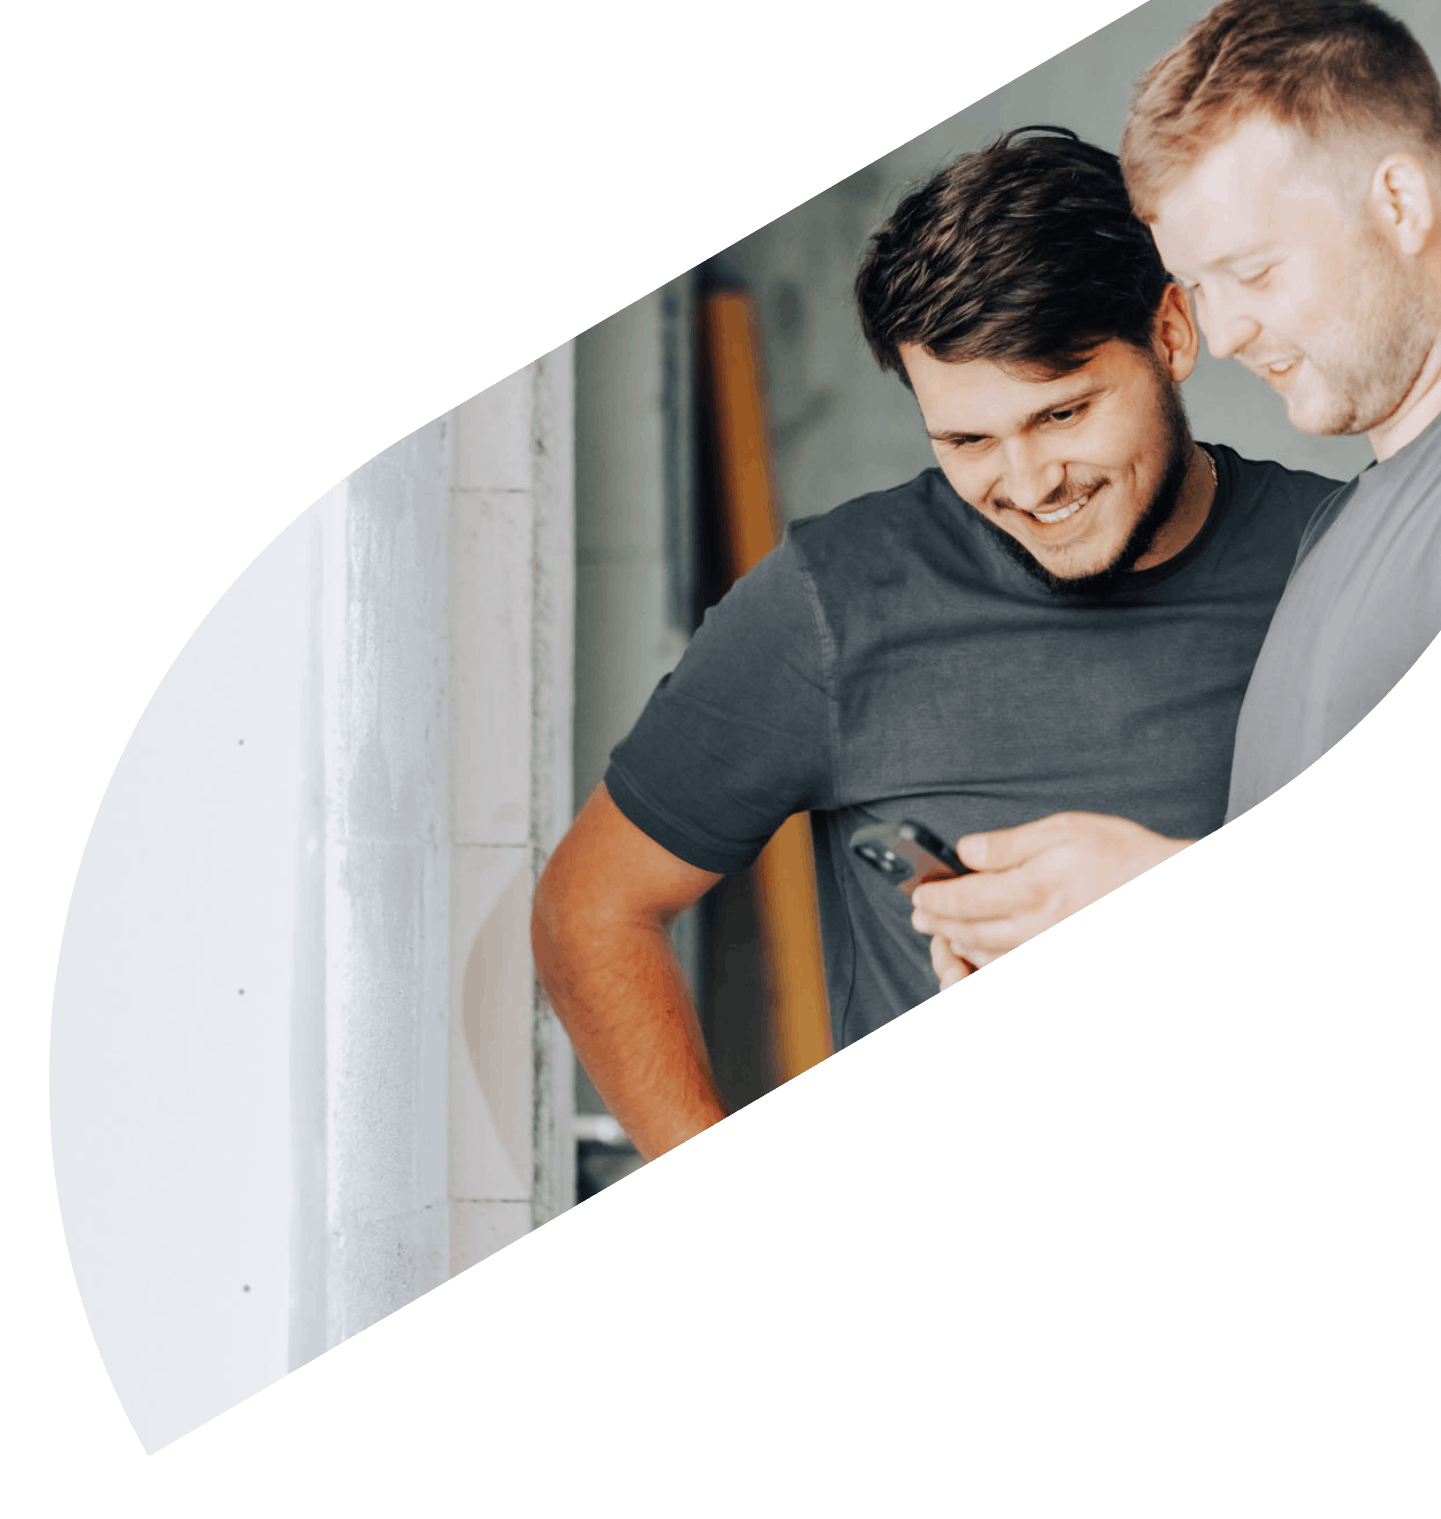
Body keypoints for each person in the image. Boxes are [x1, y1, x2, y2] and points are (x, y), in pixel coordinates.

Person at [531, 128, 1340, 1159]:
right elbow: (590, 910)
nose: (1028, 484)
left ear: (1170, 335)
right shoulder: (835, 601)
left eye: (1063, 413)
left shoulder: (1347, 562)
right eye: (966, 440)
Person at [912, 0, 1441, 983]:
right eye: (1201, 290)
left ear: (1398, 201)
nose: (1222, 336)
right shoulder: (1349, 525)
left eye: (1255, 274)